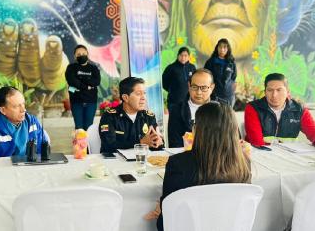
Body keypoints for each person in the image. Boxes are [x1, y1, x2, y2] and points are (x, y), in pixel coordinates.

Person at [151, 102, 252, 230]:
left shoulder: (178, 163)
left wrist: (160, 209)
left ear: (198, 129)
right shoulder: (244, 163)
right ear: (233, 131)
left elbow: (166, 217)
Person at [244, 73, 315, 151]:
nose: (274, 95)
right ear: (265, 92)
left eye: (279, 90)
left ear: (287, 92)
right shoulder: (253, 108)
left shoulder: (299, 110)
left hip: (288, 157)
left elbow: (314, 131)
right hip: (259, 155)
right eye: (270, 90)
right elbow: (257, 142)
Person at [0, 86, 47, 185]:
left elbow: (43, 154)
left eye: (23, 104)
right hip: (8, 180)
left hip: (33, 176)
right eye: (16, 106)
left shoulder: (32, 122)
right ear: (3, 110)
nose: (23, 109)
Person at [99, 76, 163, 153]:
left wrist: (158, 141)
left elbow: (157, 144)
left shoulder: (149, 117)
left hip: (142, 161)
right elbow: (108, 145)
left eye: (144, 93)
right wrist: (140, 143)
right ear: (125, 98)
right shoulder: (109, 116)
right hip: (116, 162)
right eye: (139, 94)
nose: (143, 98)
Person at [167, 68, 215, 148]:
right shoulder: (177, 110)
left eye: (203, 88)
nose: (198, 92)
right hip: (186, 158)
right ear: (189, 86)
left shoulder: (222, 109)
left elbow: (233, 141)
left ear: (212, 88)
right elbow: (174, 144)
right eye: (194, 87)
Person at [65, 44, 101, 131]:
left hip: (91, 102)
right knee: (79, 127)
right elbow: (72, 82)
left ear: (87, 54)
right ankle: (79, 145)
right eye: (78, 54)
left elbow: (96, 81)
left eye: (83, 53)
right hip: (76, 101)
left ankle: (88, 145)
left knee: (89, 127)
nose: (81, 56)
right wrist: (87, 86)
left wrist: (80, 83)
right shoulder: (71, 68)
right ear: (75, 56)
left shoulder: (93, 68)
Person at [204, 38, 237, 106]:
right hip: (214, 95)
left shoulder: (231, 63)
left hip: (228, 96)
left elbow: (233, 77)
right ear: (217, 48)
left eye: (224, 47)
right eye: (220, 47)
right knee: (215, 115)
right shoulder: (210, 62)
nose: (222, 49)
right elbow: (206, 77)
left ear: (228, 49)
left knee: (227, 116)